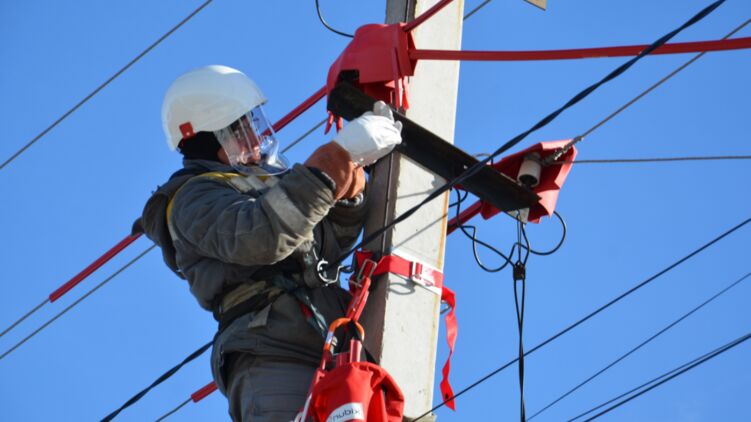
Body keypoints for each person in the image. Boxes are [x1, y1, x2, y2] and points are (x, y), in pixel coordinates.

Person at [140, 65, 402, 421]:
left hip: (332, 349)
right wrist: (332, 163)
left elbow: (323, 244)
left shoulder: (262, 183)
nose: (254, 139)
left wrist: (347, 193)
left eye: (254, 124)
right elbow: (261, 236)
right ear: (210, 139)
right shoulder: (192, 199)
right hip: (271, 354)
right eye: (239, 130)